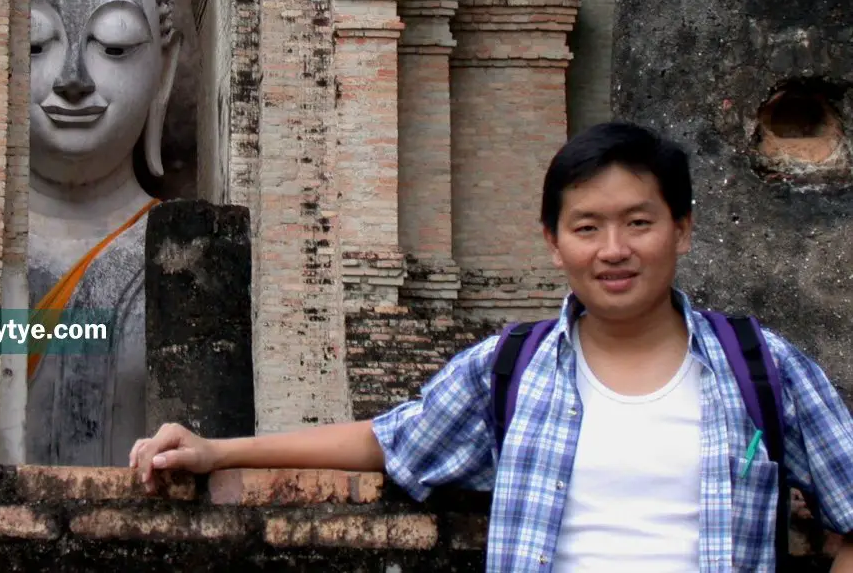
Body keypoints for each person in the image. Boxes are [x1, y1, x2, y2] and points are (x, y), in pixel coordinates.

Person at [130, 122, 853, 571]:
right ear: (553, 241)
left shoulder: (761, 367)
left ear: (682, 229)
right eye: (587, 227)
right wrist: (216, 451)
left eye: (639, 222)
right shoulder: (511, 368)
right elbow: (391, 440)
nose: (613, 250)